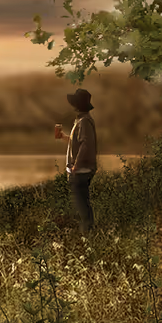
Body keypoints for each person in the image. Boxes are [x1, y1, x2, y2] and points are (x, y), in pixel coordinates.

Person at [51, 87, 97, 232]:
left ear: (78, 105)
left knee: (82, 207)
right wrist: (64, 136)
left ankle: (87, 237)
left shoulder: (84, 122)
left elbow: (86, 145)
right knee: (82, 205)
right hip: (80, 170)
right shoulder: (82, 121)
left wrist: (76, 166)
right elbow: (77, 143)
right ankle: (88, 235)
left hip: (81, 171)